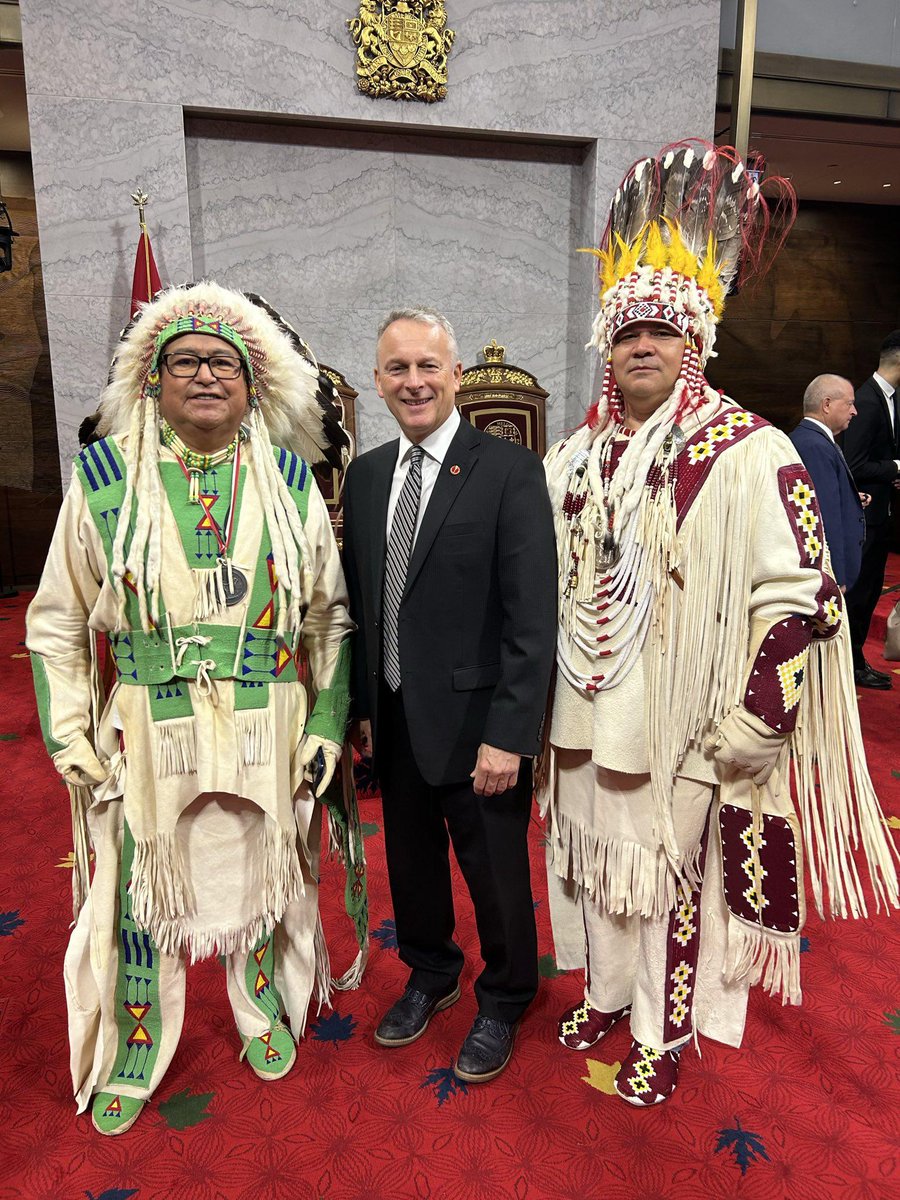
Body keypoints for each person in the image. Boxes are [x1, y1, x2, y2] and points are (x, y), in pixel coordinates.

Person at [541, 141, 898, 1107]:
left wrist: (761, 715)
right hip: (581, 708)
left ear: (694, 340)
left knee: (669, 875)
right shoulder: (572, 456)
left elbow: (805, 596)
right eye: (627, 331)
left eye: (662, 330)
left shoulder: (750, 451)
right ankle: (608, 994)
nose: (642, 346)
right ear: (606, 345)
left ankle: (661, 1030)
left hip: (683, 720)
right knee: (593, 864)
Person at [27, 282, 365, 1135]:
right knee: (143, 888)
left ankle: (261, 1007)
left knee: (264, 866)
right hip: (151, 728)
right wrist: (68, 732)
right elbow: (59, 620)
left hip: (264, 722)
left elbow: (327, 617)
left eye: (224, 363)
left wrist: (326, 721)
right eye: (185, 362)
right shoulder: (105, 480)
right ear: (153, 379)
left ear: (254, 384)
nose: (206, 375)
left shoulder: (289, 481)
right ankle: (133, 1049)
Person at [341, 308, 556, 1083]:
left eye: (428, 366)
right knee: (410, 864)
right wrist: (362, 708)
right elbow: (365, 600)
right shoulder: (368, 475)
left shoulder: (509, 471)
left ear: (456, 376)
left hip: (479, 724)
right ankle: (431, 971)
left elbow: (532, 618)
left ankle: (505, 995)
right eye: (397, 368)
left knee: (495, 872)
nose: (414, 382)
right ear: (377, 380)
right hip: (395, 714)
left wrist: (512, 734)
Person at [840, 330, 900, 689]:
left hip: (881, 514)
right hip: (864, 517)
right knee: (860, 593)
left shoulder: (890, 398)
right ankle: (850, 663)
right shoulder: (867, 400)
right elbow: (854, 463)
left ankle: (856, 659)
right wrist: (895, 468)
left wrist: (892, 472)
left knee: (870, 591)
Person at [789, 374, 866, 591]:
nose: (854, 411)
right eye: (850, 404)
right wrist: (836, 576)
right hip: (827, 575)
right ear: (827, 405)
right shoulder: (815, 446)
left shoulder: (810, 439)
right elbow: (824, 514)